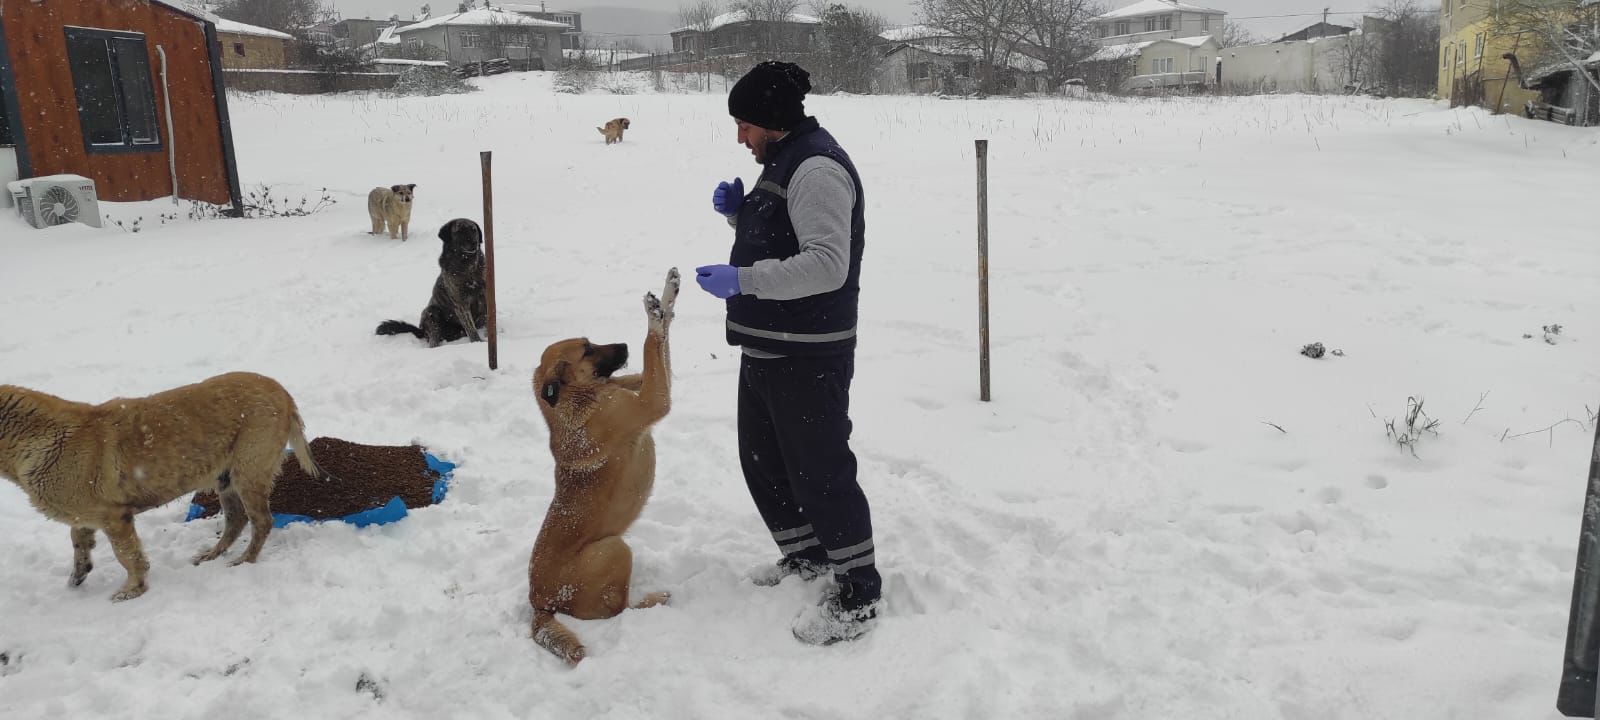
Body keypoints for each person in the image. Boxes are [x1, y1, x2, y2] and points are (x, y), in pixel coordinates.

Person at [692, 61, 880, 646]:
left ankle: (857, 590)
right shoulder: (783, 158)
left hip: (809, 350)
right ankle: (808, 558)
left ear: (773, 121)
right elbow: (783, 235)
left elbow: (827, 264)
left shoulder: (817, 168)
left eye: (746, 124)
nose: (740, 136)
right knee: (766, 462)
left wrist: (742, 280)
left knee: (820, 470)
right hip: (770, 344)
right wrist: (736, 213)